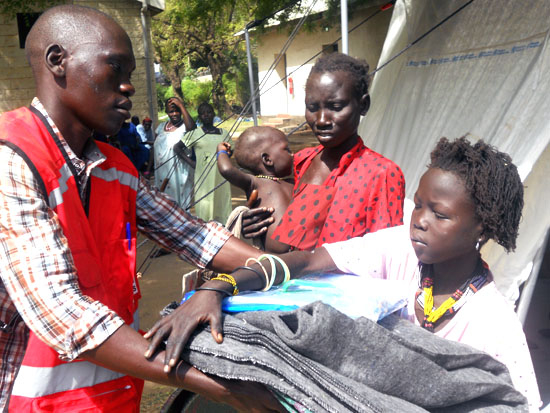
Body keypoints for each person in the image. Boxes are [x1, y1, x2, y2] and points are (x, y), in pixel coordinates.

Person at [0, 5, 282, 412]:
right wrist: (221, 386)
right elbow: (64, 315)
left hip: (113, 399)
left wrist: (287, 271)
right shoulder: (12, 160)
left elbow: (194, 236)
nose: (129, 88)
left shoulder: (116, 169)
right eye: (116, 69)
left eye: (131, 76)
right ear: (57, 62)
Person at [146, 137, 541, 411]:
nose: (418, 221)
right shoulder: (399, 251)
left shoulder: (494, 325)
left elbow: (513, 402)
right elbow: (307, 261)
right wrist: (219, 286)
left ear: (483, 228)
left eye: (439, 214)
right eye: (417, 205)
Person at [243, 53, 406, 251]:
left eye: (335, 107)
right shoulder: (300, 162)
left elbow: (385, 254)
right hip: (283, 276)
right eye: (312, 108)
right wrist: (257, 223)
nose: (321, 120)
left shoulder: (381, 174)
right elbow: (285, 226)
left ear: (363, 105)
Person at [217, 126, 294, 253]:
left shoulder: (292, 182)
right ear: (267, 159)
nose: (293, 154)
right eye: (287, 150)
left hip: (301, 253)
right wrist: (221, 152)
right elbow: (227, 170)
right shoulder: (255, 183)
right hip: (274, 256)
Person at [181, 102, 232, 224]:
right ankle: (206, 228)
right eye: (203, 114)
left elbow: (231, 151)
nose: (206, 115)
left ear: (214, 114)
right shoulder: (195, 134)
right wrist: (192, 163)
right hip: (203, 177)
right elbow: (177, 148)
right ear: (199, 117)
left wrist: (225, 157)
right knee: (205, 203)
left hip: (222, 176)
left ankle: (225, 228)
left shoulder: (223, 133)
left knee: (222, 201)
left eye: (209, 112)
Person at [154, 97, 196, 209]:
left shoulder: (185, 126)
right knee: (163, 204)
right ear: (166, 112)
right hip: (161, 173)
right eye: (171, 111)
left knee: (180, 205)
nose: (174, 114)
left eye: (177, 110)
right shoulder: (160, 127)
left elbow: (193, 129)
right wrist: (149, 170)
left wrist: (181, 105)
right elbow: (154, 148)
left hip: (179, 173)